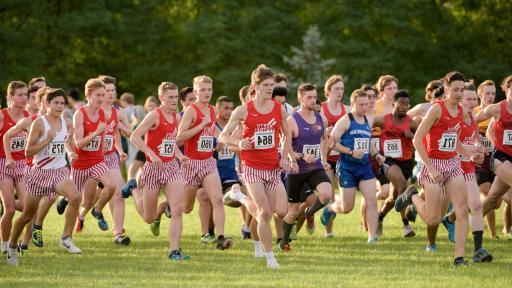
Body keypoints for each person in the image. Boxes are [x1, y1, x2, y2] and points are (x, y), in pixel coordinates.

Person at [395, 71, 471, 266]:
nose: (459, 94)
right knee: (433, 219)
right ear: (446, 90)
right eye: (455, 90)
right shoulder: (436, 110)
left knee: (462, 210)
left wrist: (470, 154)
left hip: (452, 164)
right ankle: (411, 194)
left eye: (462, 90)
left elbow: (454, 141)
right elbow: (417, 139)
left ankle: (459, 258)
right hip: (433, 164)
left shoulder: (461, 111)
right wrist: (431, 168)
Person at [219, 64, 291, 269]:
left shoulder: (279, 108)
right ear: (255, 86)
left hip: (272, 167)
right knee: (264, 212)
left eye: (272, 85)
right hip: (251, 167)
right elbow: (222, 136)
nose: (270, 89)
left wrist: (285, 157)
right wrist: (238, 143)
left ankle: (240, 196)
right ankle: (270, 259)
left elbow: (287, 135)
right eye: (266, 85)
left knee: (275, 212)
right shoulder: (244, 110)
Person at [7, 88, 82, 266]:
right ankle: (11, 247)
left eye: (62, 103)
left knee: (76, 197)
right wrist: (46, 140)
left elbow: (66, 144)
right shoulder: (39, 124)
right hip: (38, 173)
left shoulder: (68, 122)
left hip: (59, 171)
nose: (59, 106)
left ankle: (66, 238)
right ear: (46, 104)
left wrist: (71, 150)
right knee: (27, 216)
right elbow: (28, 152)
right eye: (56, 103)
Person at [124, 82, 189, 260]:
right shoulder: (154, 115)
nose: (174, 100)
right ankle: (133, 189)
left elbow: (170, 143)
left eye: (176, 97)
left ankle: (174, 251)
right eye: (170, 97)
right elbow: (134, 137)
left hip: (171, 168)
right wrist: (152, 154)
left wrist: (179, 156)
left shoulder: (176, 117)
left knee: (177, 209)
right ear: (161, 97)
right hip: (152, 169)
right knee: (149, 217)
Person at [177, 75, 232, 250]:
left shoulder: (212, 110)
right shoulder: (191, 111)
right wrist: (200, 126)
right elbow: (179, 137)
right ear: (195, 91)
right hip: (190, 164)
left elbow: (212, 133)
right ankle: (169, 207)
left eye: (209, 90)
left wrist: (222, 141)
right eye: (203, 90)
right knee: (186, 208)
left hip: (208, 162)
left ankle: (221, 238)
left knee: (216, 198)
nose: (206, 93)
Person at [321, 88, 384, 243]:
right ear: (353, 104)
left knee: (371, 201)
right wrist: (350, 152)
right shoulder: (346, 120)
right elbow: (331, 143)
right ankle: (330, 207)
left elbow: (368, 142)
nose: (364, 107)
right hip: (347, 167)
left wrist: (376, 154)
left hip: (364, 167)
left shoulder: (369, 120)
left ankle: (372, 237)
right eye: (361, 104)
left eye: (366, 104)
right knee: (347, 208)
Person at [440, 82, 492, 262]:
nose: (472, 102)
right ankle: (414, 199)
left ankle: (478, 249)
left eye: (474, 99)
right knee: (434, 214)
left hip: (467, 167)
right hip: (451, 167)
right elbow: (449, 145)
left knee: (476, 205)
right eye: (468, 99)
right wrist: (470, 151)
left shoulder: (473, 118)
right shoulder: (455, 118)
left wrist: (479, 152)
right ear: (460, 99)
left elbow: (476, 140)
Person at [279, 83, 332, 251]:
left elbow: (324, 140)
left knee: (326, 194)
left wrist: (323, 158)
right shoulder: (292, 120)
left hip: (315, 167)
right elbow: (285, 148)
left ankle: (309, 213)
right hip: (297, 170)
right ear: (300, 99)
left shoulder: (321, 119)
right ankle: (284, 241)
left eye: (314, 97)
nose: (312, 100)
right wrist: (298, 158)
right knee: (293, 211)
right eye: (308, 97)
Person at [71, 78, 116, 233]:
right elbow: (78, 144)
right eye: (98, 95)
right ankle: (68, 232)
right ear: (88, 94)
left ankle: (98, 210)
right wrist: (96, 132)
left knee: (111, 185)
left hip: (97, 161)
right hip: (80, 164)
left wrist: (103, 145)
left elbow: (103, 135)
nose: (102, 98)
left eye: (103, 95)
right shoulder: (80, 114)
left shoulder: (104, 113)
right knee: (82, 202)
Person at [372, 90, 418, 238]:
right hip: (389, 160)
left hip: (406, 162)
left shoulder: (411, 122)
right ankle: (406, 225)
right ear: (393, 104)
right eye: (401, 103)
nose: (404, 107)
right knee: (402, 185)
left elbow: (423, 139)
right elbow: (365, 126)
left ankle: (379, 217)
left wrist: (410, 135)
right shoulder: (383, 120)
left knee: (393, 198)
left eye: (406, 104)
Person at [0, 81, 29, 255]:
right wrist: (8, 157)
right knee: (10, 209)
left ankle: (13, 238)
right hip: (3, 163)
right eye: (20, 95)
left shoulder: (27, 116)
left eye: (25, 95)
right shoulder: (3, 116)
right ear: (10, 97)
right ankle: (4, 244)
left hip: (22, 165)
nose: (24, 98)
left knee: (27, 208)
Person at [320, 75, 350, 238]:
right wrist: (325, 132)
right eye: (336, 88)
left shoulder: (348, 110)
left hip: (342, 158)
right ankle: (329, 232)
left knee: (345, 198)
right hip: (325, 158)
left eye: (342, 89)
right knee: (329, 195)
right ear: (328, 91)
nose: (340, 91)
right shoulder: (321, 109)